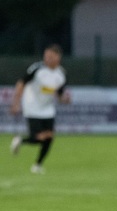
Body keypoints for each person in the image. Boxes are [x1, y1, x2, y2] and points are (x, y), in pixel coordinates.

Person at [9, 44, 71, 174]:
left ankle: (37, 165)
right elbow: (21, 83)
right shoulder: (37, 69)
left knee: (49, 137)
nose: (46, 59)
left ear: (58, 58)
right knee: (38, 137)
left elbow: (59, 96)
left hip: (47, 108)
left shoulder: (61, 74)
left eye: (50, 57)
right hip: (31, 106)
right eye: (45, 56)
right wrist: (16, 103)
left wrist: (65, 99)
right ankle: (21, 140)